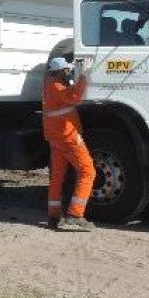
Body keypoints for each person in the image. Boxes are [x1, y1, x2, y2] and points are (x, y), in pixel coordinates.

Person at [43, 57, 97, 231]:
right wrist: (84, 76)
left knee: (57, 178)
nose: (69, 72)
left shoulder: (49, 87)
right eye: (67, 70)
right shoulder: (56, 87)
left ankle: (53, 215)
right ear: (59, 72)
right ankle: (75, 214)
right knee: (88, 171)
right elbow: (74, 97)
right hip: (68, 138)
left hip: (56, 140)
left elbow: (68, 95)